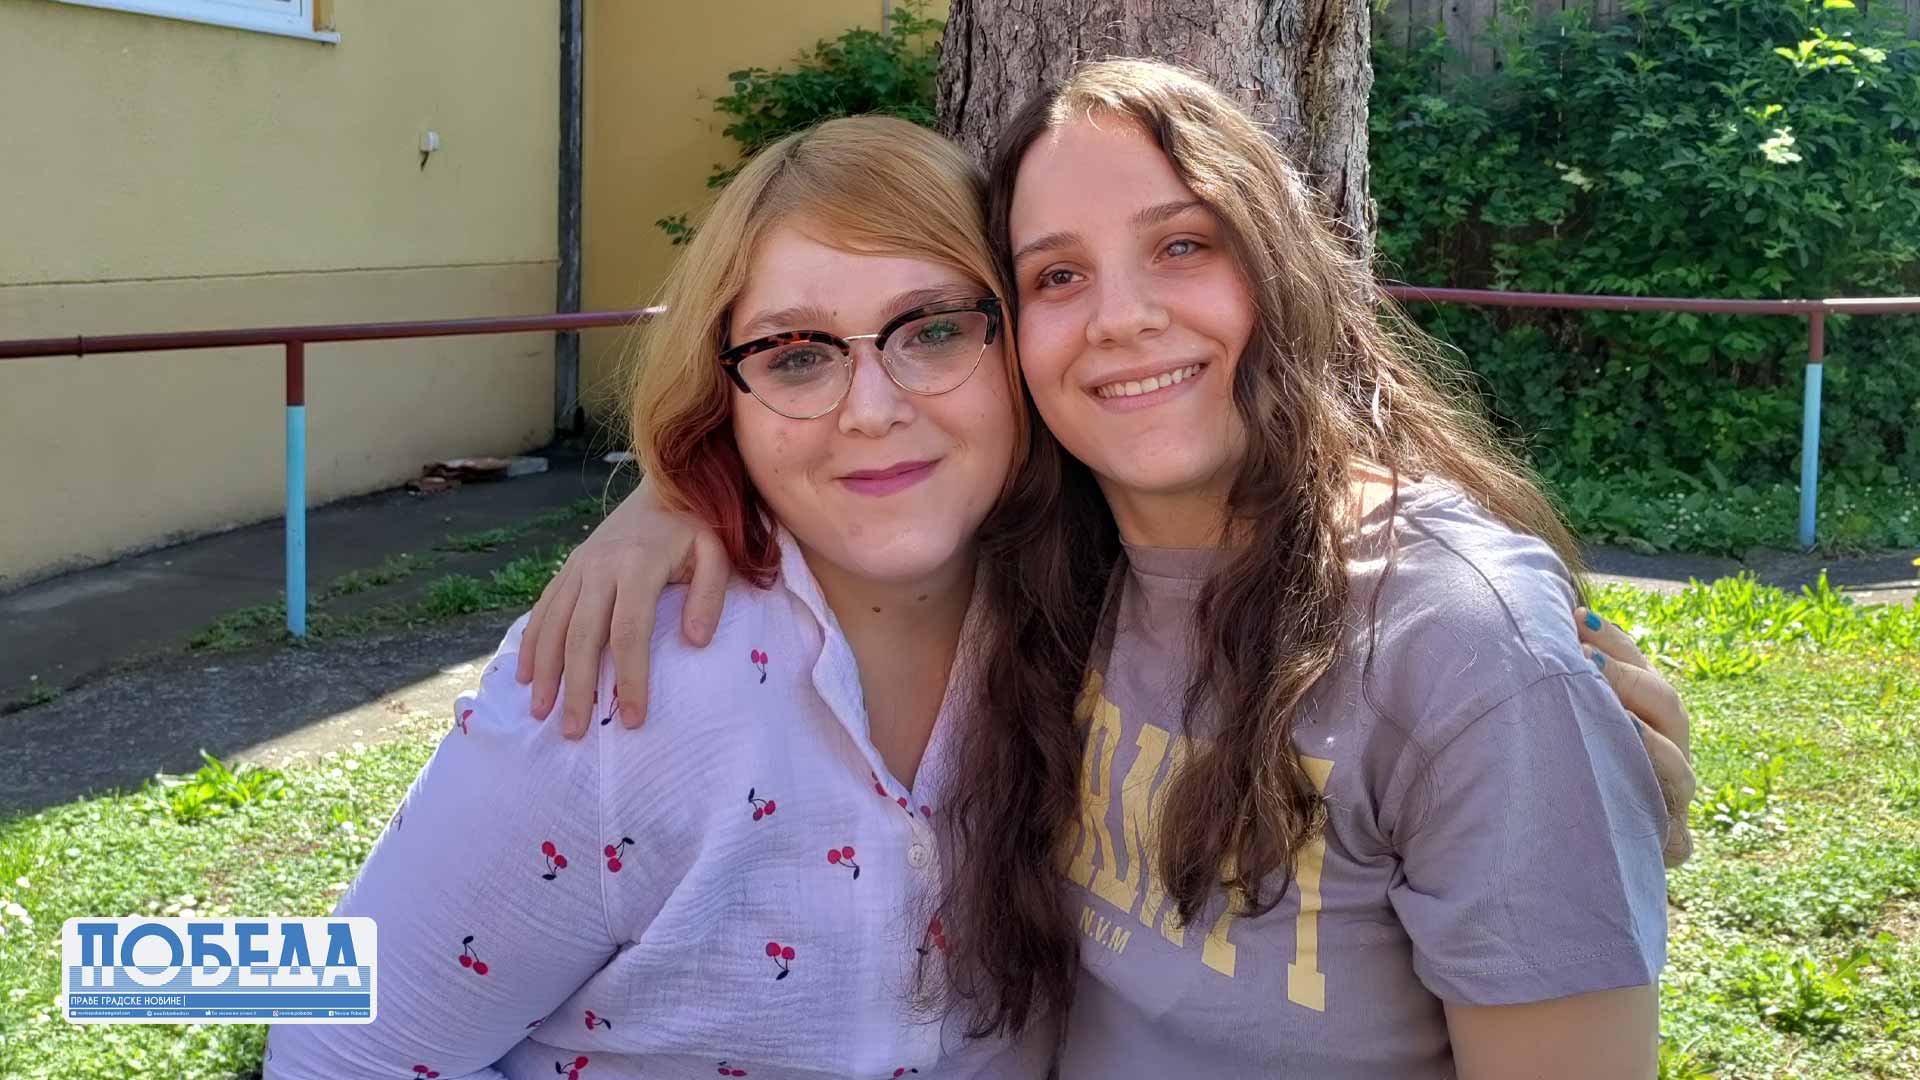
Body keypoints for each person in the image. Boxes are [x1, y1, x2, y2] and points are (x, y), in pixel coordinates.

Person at [518, 60, 1696, 1079]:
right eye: (1056, 276)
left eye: (1183, 245)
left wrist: (1544, 730)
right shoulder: (1043, 572)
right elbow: (852, 417)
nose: (1121, 317)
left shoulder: (1453, 640)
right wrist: (674, 497)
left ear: (1280, 269)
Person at [264, 115, 1054, 1080]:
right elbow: (339, 1052)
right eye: (796, 355)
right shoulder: (612, 676)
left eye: (933, 330)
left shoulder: (1100, 625)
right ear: (727, 401)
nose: (872, 409)